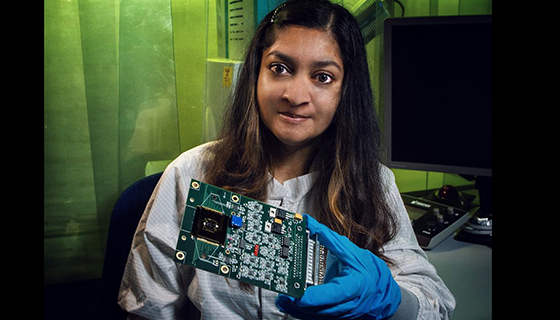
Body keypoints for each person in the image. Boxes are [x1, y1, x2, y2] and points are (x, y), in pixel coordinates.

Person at [118, 0, 456, 319]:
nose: (295, 96)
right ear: (255, 75)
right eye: (279, 68)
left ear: (345, 90)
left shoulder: (373, 182)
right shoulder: (190, 174)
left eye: (323, 77)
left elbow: (434, 304)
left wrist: (391, 300)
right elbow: (149, 308)